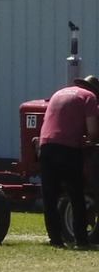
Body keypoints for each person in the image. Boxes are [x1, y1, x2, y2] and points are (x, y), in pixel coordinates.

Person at [38, 74, 99, 248]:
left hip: (46, 145)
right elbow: (93, 131)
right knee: (76, 194)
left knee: (50, 196)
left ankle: (55, 240)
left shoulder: (59, 93)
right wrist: (90, 139)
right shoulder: (89, 97)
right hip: (67, 148)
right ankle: (81, 240)